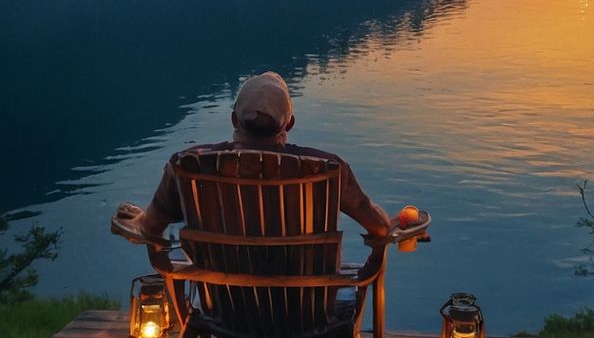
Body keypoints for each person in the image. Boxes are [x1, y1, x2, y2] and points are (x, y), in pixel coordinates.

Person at [115, 71, 391, 243]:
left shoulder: (187, 165)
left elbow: (151, 229)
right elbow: (379, 228)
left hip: (222, 311)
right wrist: (397, 222)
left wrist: (140, 218)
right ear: (289, 124)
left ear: (234, 119)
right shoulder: (328, 169)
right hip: (309, 315)